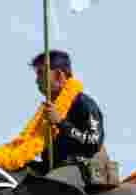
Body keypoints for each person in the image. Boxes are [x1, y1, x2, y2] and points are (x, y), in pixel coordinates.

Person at [29, 50, 107, 186]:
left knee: (52, 182)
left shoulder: (83, 103)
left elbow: (93, 143)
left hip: (82, 167)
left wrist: (60, 122)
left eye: (41, 73)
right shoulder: (49, 108)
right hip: (52, 167)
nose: (36, 80)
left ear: (59, 75)